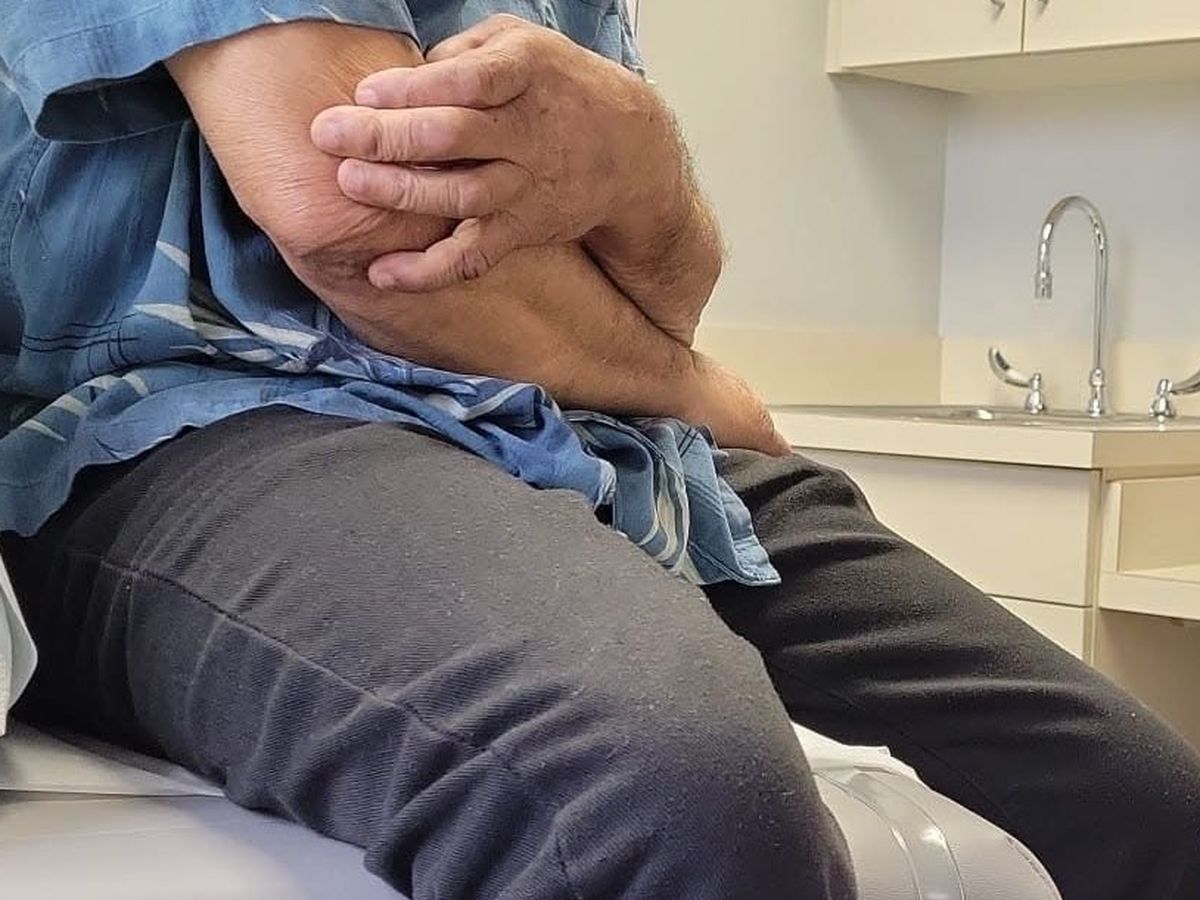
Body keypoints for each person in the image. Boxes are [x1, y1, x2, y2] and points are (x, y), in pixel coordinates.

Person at [0, 3, 1196, 899]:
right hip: (191, 424)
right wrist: (689, 380)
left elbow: (667, 274)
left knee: (1145, 803)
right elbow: (357, 218)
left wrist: (652, 174)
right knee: (670, 791)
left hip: (603, 441)